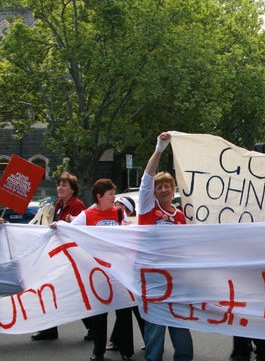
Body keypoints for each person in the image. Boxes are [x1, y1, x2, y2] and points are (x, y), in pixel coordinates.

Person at [139, 132, 193, 361]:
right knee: (156, 323)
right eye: (158, 187)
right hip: (153, 277)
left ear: (173, 190)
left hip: (177, 277)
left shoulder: (180, 215)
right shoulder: (148, 209)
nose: (163, 189)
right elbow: (146, 179)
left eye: (167, 186)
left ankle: (184, 357)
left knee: (179, 321)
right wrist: (160, 148)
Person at [68, 178, 130, 361]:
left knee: (124, 311)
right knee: (99, 313)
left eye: (113, 194)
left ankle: (127, 351)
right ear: (99, 196)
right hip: (97, 272)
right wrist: (58, 226)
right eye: (110, 194)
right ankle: (98, 350)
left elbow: (129, 233)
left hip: (119, 271)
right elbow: (70, 231)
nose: (114, 197)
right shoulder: (86, 215)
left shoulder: (119, 213)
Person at [31, 171, 89, 341]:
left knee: (74, 293)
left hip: (70, 255)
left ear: (72, 189)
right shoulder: (58, 204)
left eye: (64, 185)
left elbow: (78, 227)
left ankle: (92, 325)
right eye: (59, 184)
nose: (60, 187)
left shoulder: (77, 205)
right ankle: (49, 328)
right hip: (57, 254)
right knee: (51, 291)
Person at [106, 195, 142, 357]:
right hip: (119, 271)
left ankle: (148, 341)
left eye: (120, 206)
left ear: (128, 210)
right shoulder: (112, 223)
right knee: (125, 306)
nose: (116, 208)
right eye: (115, 205)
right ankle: (117, 341)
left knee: (133, 307)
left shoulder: (132, 225)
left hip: (131, 271)